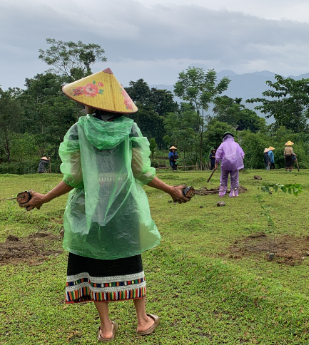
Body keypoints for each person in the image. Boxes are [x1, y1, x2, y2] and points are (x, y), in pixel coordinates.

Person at [21, 68, 190, 341]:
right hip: (125, 207)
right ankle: (143, 320)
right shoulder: (130, 128)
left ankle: (107, 327)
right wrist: (171, 190)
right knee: (129, 255)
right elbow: (142, 172)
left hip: (89, 208)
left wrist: (45, 198)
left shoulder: (79, 129)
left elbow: (74, 177)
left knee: (94, 261)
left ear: (94, 102)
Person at [215, 132, 245, 197]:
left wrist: (216, 163)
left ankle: (222, 193)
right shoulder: (236, 144)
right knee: (234, 179)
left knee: (223, 178)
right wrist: (239, 162)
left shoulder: (222, 145)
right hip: (234, 164)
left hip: (225, 164)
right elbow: (242, 154)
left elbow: (218, 154)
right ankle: (234, 193)